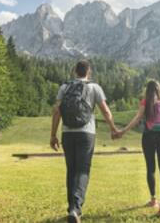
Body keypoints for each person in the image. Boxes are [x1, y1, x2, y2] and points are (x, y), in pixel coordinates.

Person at [50, 60, 118, 223]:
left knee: (71, 170)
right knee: (83, 170)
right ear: (88, 72)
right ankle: (75, 209)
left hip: (67, 133)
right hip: (86, 134)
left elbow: (56, 112)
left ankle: (71, 208)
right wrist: (113, 129)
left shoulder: (64, 87)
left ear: (75, 71)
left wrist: (53, 135)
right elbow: (106, 111)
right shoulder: (94, 87)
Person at [115, 80, 160, 217]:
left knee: (150, 168)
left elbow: (137, 119)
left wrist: (123, 131)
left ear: (148, 90)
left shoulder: (145, 102)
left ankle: (153, 200)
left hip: (149, 136)